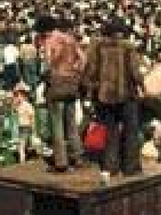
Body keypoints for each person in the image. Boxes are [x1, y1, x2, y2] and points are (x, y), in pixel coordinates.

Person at [82, 19, 145, 176]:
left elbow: (89, 71)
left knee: (109, 131)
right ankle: (131, 167)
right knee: (131, 131)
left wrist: (92, 89)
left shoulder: (96, 47)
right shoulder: (128, 47)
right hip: (127, 94)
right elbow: (135, 72)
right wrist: (142, 85)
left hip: (103, 95)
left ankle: (111, 166)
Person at [37, 16, 85, 173]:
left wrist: (47, 75)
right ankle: (77, 156)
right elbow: (82, 59)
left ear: (44, 30)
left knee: (57, 124)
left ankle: (61, 162)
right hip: (71, 83)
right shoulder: (69, 39)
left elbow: (48, 62)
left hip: (56, 84)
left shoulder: (49, 41)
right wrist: (75, 73)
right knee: (71, 122)